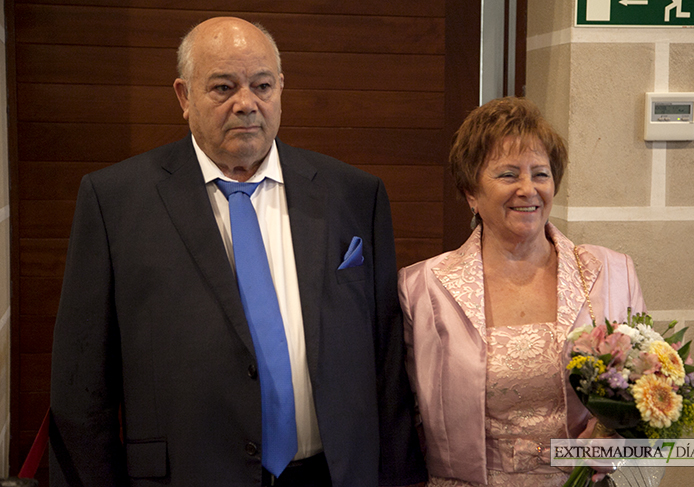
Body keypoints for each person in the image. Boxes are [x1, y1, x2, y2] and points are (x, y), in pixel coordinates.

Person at [49, 17, 425, 487]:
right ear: (184, 97)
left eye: (262, 85)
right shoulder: (115, 202)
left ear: (281, 88)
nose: (246, 103)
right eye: (223, 87)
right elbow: (82, 386)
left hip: (334, 473)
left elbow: (387, 362)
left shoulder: (353, 194)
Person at [397, 97, 646, 486]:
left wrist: (617, 445)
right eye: (508, 175)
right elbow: (403, 420)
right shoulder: (422, 288)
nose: (528, 189)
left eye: (541, 174)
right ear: (471, 193)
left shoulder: (611, 274)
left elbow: (649, 399)